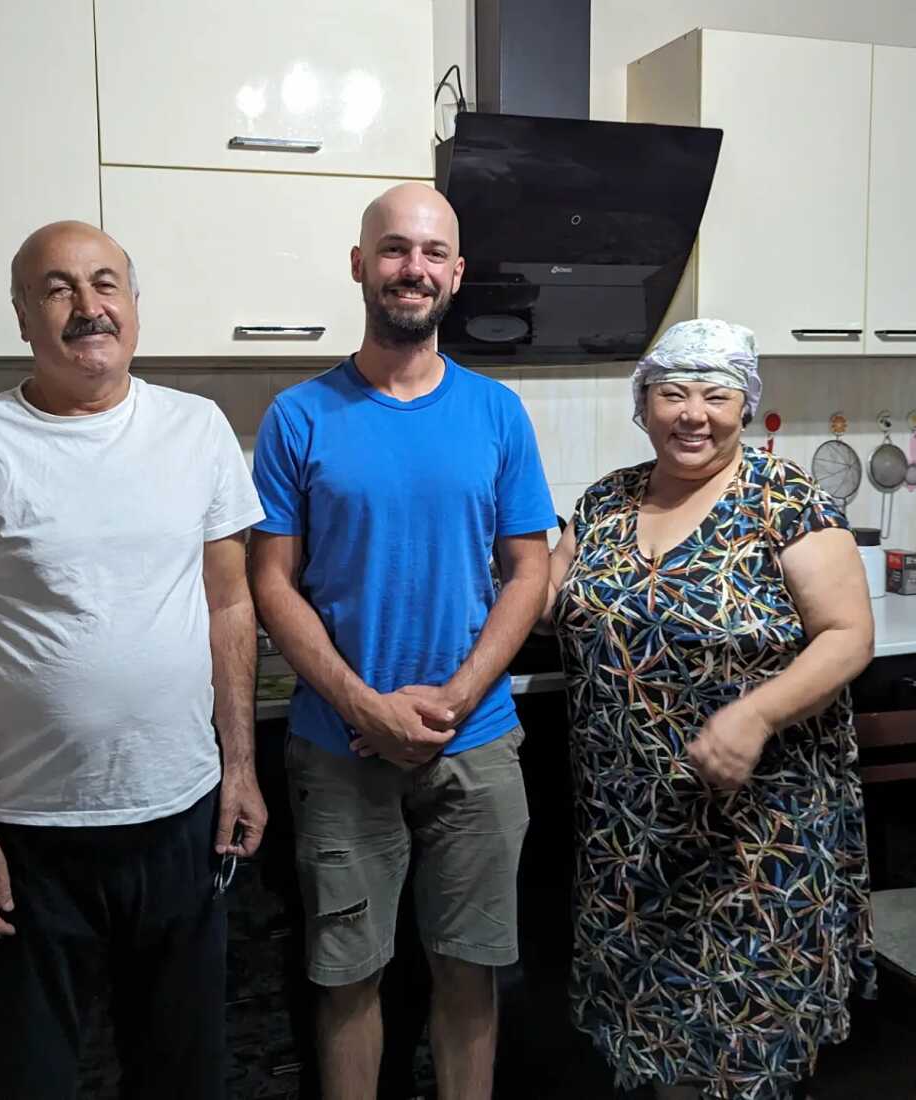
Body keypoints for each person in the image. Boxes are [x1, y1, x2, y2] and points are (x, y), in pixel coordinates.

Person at [0, 221, 266, 1100]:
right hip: (29, 836)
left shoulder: (196, 428)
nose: (88, 307)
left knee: (183, 1075)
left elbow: (230, 602)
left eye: (105, 284)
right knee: (28, 1079)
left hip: (182, 817)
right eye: (57, 289)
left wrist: (240, 767)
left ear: (134, 306)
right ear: (22, 316)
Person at [249, 182, 556, 1100]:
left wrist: (456, 697)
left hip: (479, 741)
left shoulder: (497, 412)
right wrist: (362, 705)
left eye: (430, 253)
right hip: (338, 750)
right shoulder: (298, 416)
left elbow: (529, 573)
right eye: (393, 249)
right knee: (348, 976)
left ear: (455, 275)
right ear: (360, 265)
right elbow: (272, 581)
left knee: (471, 973)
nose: (411, 269)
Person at [544, 319, 876, 1100]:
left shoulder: (785, 497)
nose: (693, 413)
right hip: (632, 836)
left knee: (740, 1046)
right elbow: (542, 601)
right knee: (660, 1041)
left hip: (756, 836)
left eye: (715, 395)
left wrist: (755, 716)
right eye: (672, 393)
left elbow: (848, 634)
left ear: (743, 404)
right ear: (645, 405)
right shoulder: (606, 501)